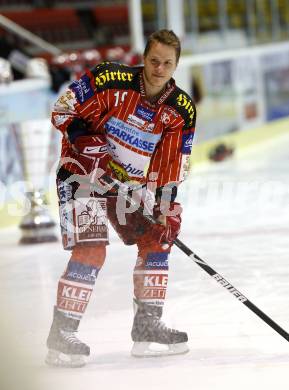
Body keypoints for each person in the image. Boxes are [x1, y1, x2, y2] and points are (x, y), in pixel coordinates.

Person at [46, 29, 196, 367]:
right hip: (81, 176)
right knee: (92, 250)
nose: (159, 68)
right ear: (143, 59)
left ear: (176, 66)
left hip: (129, 187)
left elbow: (172, 165)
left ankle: (147, 327)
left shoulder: (180, 110)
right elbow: (62, 109)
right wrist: (82, 140)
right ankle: (62, 333)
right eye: (154, 60)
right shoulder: (108, 79)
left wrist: (165, 207)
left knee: (158, 240)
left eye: (167, 63)